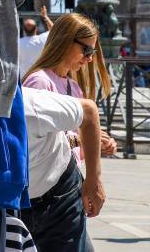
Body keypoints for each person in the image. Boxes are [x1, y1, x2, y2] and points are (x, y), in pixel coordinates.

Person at [20, 86, 106, 252]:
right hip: (12, 201)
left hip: (60, 192)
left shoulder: (31, 105)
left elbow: (88, 111)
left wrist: (94, 179)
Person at [23, 12, 118, 159]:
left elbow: (73, 151)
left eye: (92, 52)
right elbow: (33, 142)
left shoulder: (73, 87)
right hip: (48, 181)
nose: (90, 58)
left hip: (66, 176)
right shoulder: (40, 82)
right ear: (65, 41)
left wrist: (100, 144)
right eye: (86, 50)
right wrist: (85, 139)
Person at [18, 5, 54, 75]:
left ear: (24, 30)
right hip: (38, 77)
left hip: (23, 79)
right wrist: (45, 16)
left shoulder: (18, 43)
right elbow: (54, 30)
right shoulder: (41, 40)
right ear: (36, 29)